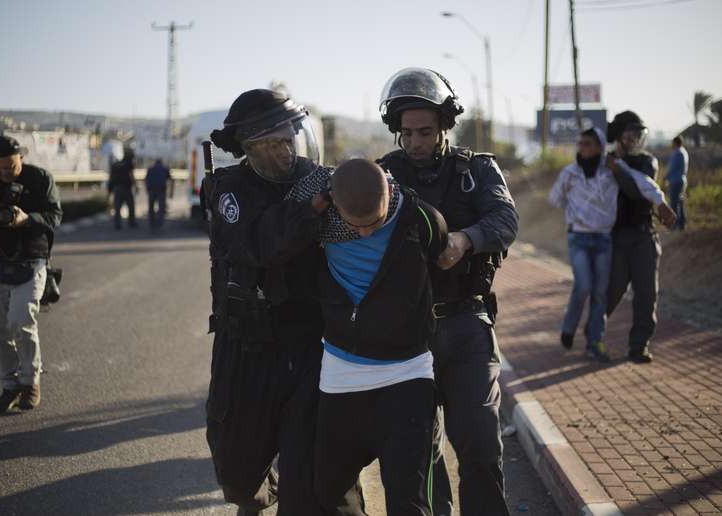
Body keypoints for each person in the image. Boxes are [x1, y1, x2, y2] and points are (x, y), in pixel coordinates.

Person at [201, 89, 364, 516]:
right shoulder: (229, 191)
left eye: (288, 139)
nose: (284, 152)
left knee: (311, 475)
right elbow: (256, 245)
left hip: (310, 344)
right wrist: (308, 212)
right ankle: (256, 493)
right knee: (237, 472)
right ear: (249, 149)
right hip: (246, 346)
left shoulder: (321, 181)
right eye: (271, 144)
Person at [376, 68, 518, 516]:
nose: (415, 142)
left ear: (444, 127)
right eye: (407, 133)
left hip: (466, 326)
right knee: (420, 454)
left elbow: (505, 221)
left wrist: (465, 240)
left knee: (479, 443)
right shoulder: (383, 176)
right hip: (406, 333)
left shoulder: (477, 170)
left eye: (425, 131)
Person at [286, 159, 448, 515]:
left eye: (373, 223)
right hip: (341, 377)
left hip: (408, 376)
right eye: (353, 224)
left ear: (390, 194)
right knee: (329, 491)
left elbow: (439, 260)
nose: (363, 233)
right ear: (333, 204)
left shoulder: (421, 219)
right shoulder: (319, 219)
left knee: (409, 500)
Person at [549, 127, 675, 362]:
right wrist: (574, 205)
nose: (583, 148)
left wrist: (661, 203)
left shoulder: (613, 168)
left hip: (605, 239)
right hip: (579, 238)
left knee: (599, 292)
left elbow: (644, 183)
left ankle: (595, 344)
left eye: (588, 144)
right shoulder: (571, 172)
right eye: (581, 144)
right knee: (585, 285)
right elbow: (555, 198)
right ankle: (569, 326)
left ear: (599, 147)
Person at [0, 135, 62, 412]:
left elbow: (55, 217)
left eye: (12, 167)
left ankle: (30, 382)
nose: (6, 173)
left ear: (22, 157)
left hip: (32, 261)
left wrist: (26, 219)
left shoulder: (40, 178)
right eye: (0, 169)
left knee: (22, 321)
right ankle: (9, 387)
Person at [605, 110, 671, 364]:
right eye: (630, 134)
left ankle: (639, 346)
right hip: (615, 237)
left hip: (644, 236)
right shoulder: (606, 161)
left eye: (639, 134)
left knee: (646, 294)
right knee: (612, 291)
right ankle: (594, 338)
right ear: (620, 137)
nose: (635, 139)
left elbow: (637, 192)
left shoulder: (647, 162)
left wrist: (618, 171)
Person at [108, 148, 137, 229]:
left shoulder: (115, 164)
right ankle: (132, 222)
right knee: (130, 206)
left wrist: (110, 190)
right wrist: (135, 185)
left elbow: (111, 178)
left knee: (117, 207)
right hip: (126, 188)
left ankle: (117, 224)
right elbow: (131, 175)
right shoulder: (129, 164)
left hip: (117, 188)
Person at [665, 135, 689, 231]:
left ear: (675, 143)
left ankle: (674, 226)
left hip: (675, 181)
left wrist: (665, 177)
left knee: (674, 204)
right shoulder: (684, 152)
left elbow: (672, 168)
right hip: (682, 180)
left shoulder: (677, 153)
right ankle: (682, 225)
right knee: (680, 203)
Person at [145, 158, 172, 229]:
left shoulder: (150, 169)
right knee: (161, 207)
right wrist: (171, 193)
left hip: (151, 189)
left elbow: (146, 179)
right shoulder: (165, 169)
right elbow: (170, 179)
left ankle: (151, 222)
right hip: (161, 190)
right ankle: (159, 223)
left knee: (151, 207)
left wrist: (147, 189)